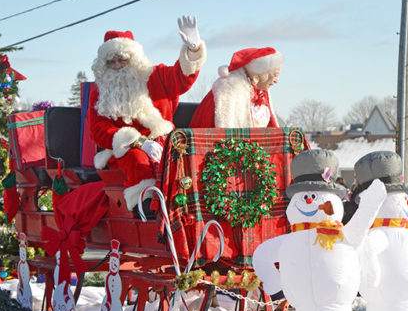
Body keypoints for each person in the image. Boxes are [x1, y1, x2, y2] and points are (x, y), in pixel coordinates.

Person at [88, 16, 207, 210]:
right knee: (137, 161)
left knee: (185, 159)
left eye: (122, 60)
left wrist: (193, 50)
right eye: (112, 62)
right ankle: (145, 207)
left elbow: (181, 77)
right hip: (125, 148)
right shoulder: (100, 92)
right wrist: (137, 141)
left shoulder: (155, 76)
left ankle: (189, 208)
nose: (117, 66)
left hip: (163, 139)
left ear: (133, 59)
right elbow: (98, 129)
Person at [189, 47, 283, 128]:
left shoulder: (261, 94)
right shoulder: (229, 90)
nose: (276, 80)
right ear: (261, 74)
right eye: (275, 75)